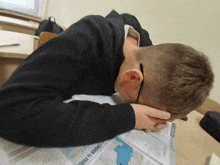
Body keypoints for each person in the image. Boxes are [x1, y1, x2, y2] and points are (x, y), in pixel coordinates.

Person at [0, 10, 214, 147]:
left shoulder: (148, 52)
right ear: (133, 77)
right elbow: (9, 111)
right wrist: (128, 116)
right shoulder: (84, 41)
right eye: (146, 108)